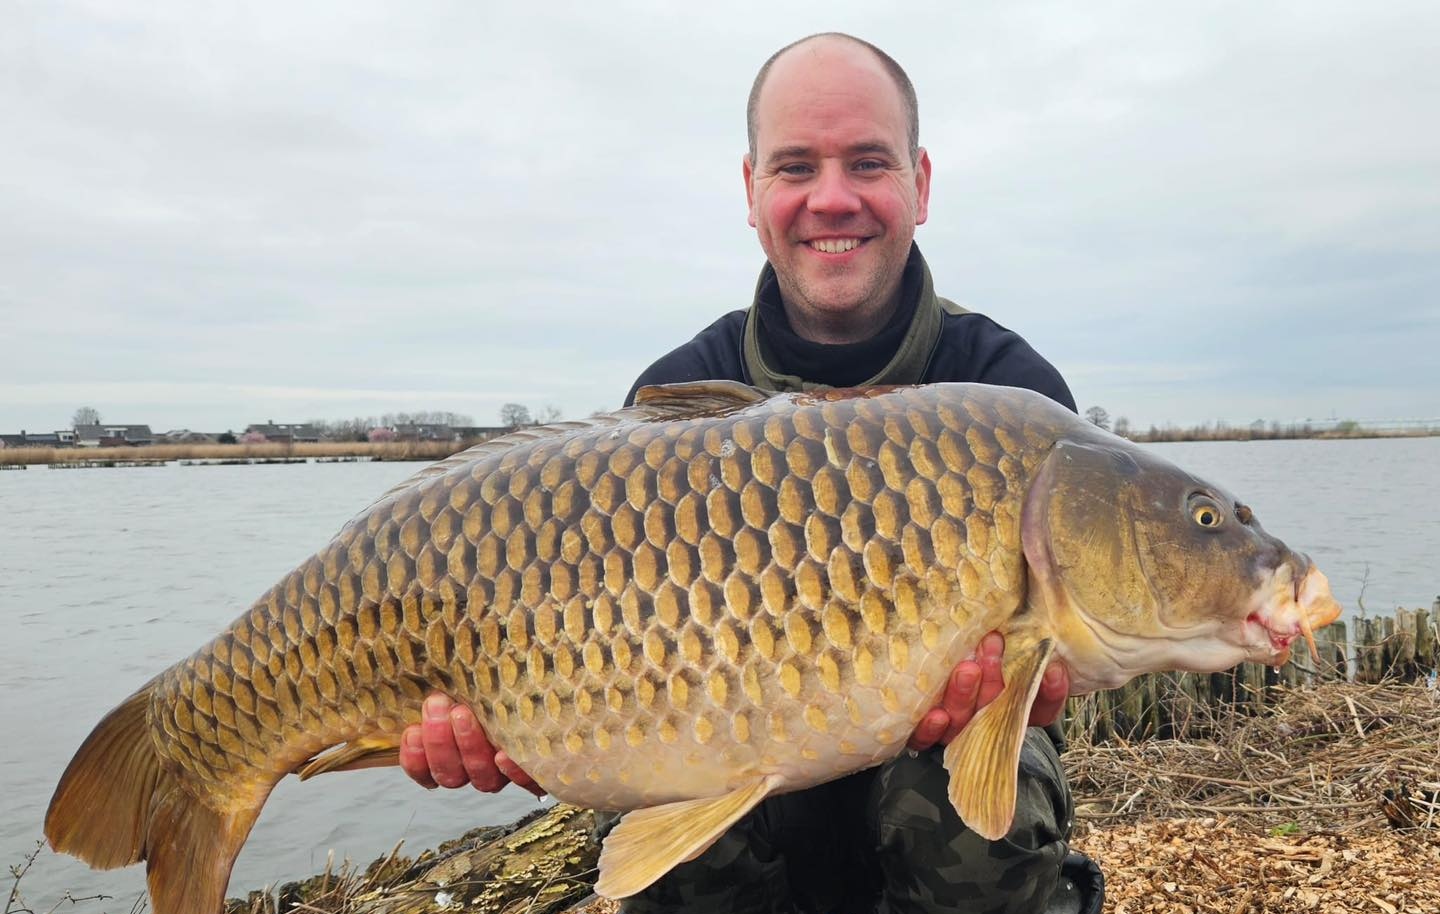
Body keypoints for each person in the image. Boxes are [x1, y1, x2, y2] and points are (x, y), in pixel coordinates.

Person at [400, 32, 1103, 914]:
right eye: (797, 167)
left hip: (937, 782)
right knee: (681, 780)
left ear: (921, 185)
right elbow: (608, 655)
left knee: (955, 816)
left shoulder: (1013, 396)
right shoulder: (668, 406)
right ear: (752, 190)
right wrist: (520, 726)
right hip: (729, 757)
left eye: (869, 163)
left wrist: (1028, 695)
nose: (833, 199)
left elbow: (1053, 680)